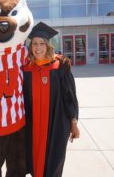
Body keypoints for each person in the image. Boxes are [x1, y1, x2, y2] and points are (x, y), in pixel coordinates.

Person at [23, 22, 80, 177]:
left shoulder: (60, 66)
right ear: (30, 46)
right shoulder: (26, 69)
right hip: (32, 126)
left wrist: (73, 122)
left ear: (48, 45)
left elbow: (70, 97)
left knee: (53, 165)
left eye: (42, 43)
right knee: (34, 164)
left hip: (55, 126)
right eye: (34, 43)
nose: (38, 47)